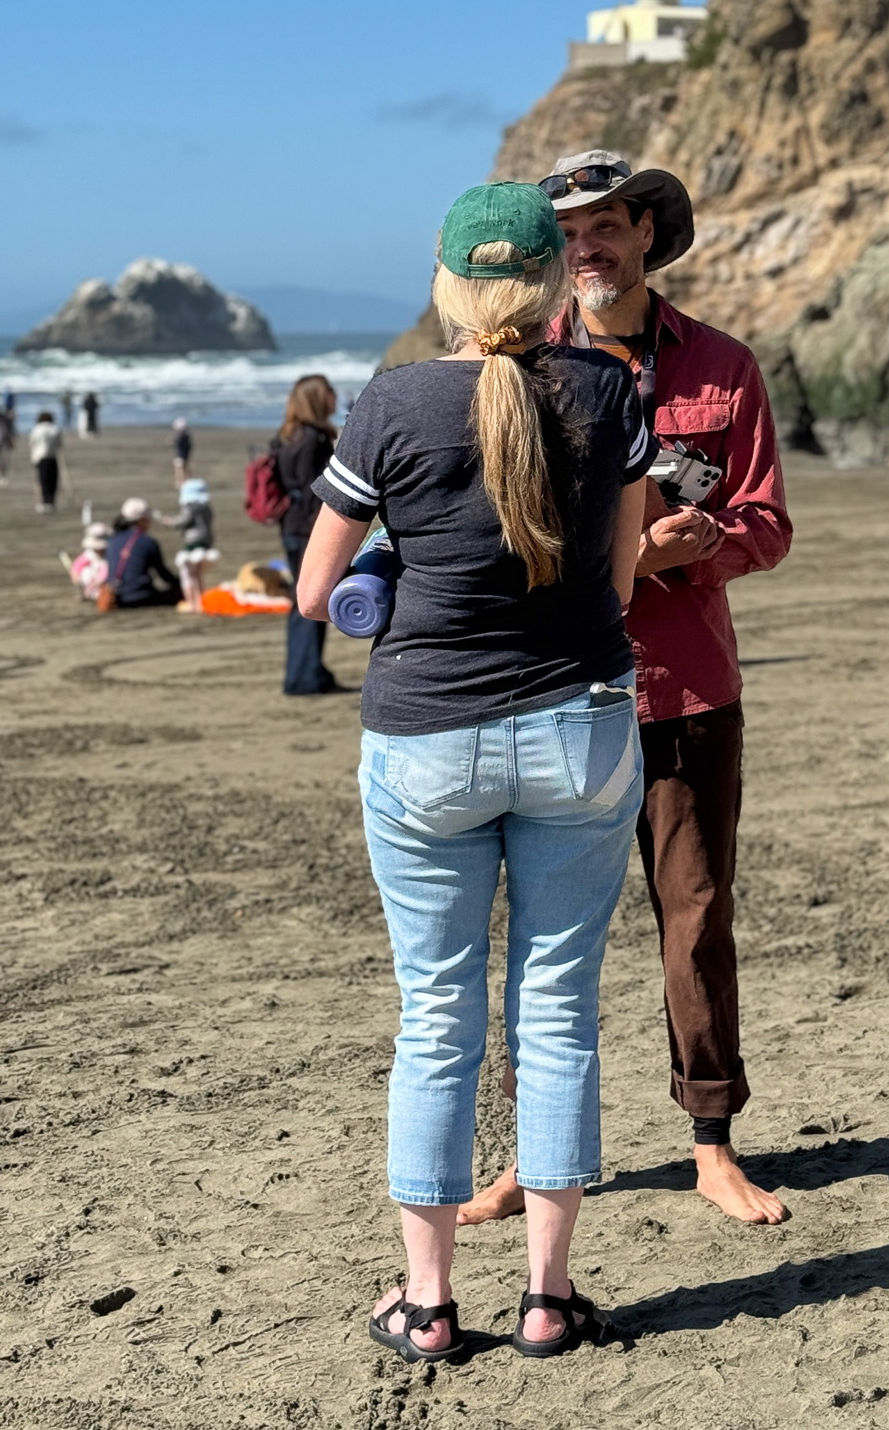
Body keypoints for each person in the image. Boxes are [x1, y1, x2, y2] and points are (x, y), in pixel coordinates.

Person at [297, 182, 653, 1362]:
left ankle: (429, 1301)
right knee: (557, 1014)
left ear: (447, 282)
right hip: (582, 726)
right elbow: (620, 579)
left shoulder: (393, 402)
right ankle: (549, 1299)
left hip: (427, 737)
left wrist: (403, 569)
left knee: (437, 1015)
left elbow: (314, 599)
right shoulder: (608, 389)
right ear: (557, 279)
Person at [460, 150, 793, 1229]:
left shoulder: (725, 366)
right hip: (553, 687)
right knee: (548, 940)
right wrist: (621, 558)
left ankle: (711, 1143)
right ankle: (532, 1158)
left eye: (608, 224)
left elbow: (770, 523)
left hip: (689, 691)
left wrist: (698, 549)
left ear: (647, 232)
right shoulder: (512, 369)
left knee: (694, 920)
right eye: (568, 232)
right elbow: (487, 533)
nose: (589, 245)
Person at [272, 375, 344, 695]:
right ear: (318, 398)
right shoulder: (312, 439)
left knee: (302, 600)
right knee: (312, 600)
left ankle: (306, 671)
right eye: (330, 392)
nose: (335, 397)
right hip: (307, 527)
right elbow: (318, 489)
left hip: (290, 525)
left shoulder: (286, 436)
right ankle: (306, 676)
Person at [103, 498, 182, 607]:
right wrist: (181, 584)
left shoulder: (112, 541)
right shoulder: (147, 541)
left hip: (118, 597)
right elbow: (163, 574)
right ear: (141, 520)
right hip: (143, 596)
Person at [158, 477, 218, 613]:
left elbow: (183, 520)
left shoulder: (191, 507)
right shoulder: (206, 507)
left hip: (192, 542)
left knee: (188, 574)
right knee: (199, 574)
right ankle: (201, 601)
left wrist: (169, 522)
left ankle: (192, 602)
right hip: (206, 542)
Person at [28, 411, 63, 512]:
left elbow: (32, 442)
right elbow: (59, 444)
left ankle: (43, 502)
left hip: (40, 457)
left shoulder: (37, 429)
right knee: (53, 480)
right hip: (52, 456)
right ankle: (51, 501)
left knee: (42, 480)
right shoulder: (55, 429)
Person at [69, 523, 110, 601]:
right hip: (92, 581)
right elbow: (76, 567)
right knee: (86, 571)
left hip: (104, 582)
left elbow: (104, 573)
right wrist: (77, 582)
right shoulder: (89, 554)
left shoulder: (109, 555)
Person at [172, 418, 192, 486]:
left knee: (180, 470)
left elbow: (181, 447)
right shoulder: (186, 437)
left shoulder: (182, 437)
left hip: (181, 455)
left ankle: (181, 482)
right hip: (183, 455)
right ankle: (184, 481)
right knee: (184, 468)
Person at [0, 403, 13, 486]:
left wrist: (10, 440)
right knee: (2, 460)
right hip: (2, 441)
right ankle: (3, 476)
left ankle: (3, 476)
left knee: (3, 460)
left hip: (3, 442)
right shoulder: (5, 420)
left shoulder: (4, 421)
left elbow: (7, 432)